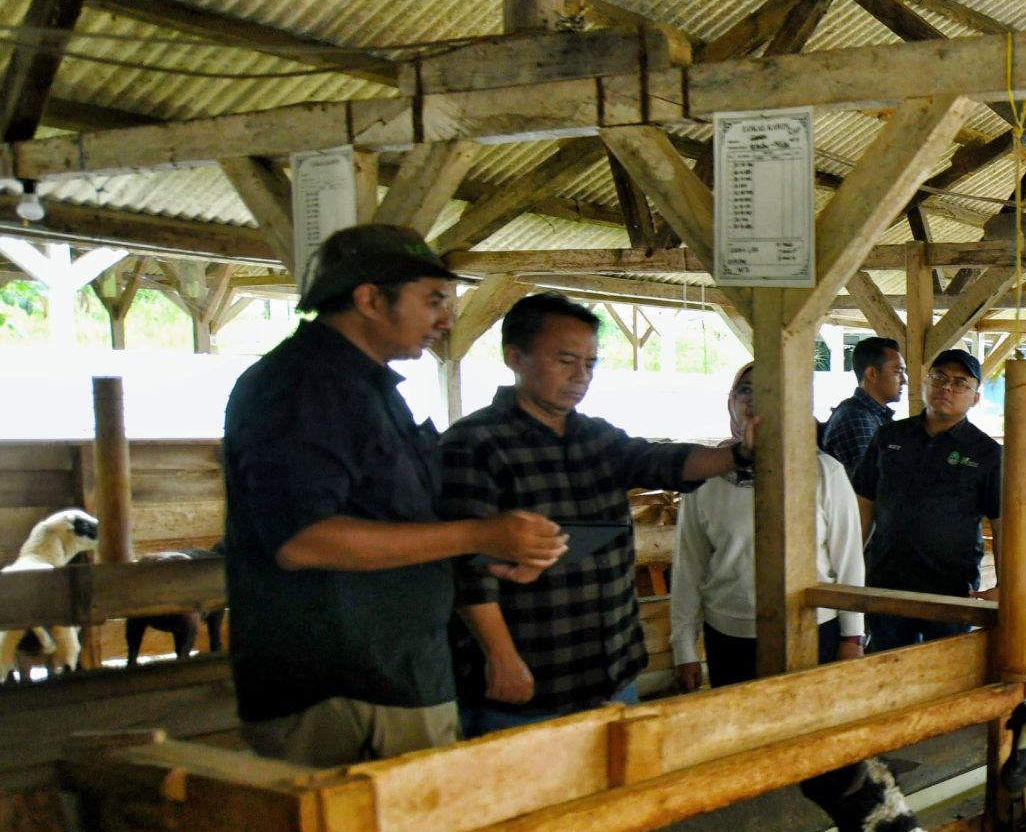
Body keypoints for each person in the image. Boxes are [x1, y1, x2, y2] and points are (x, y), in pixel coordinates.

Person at [221, 226, 567, 766]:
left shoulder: (366, 389)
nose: (446, 320)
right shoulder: (303, 385)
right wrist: (477, 534)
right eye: (432, 301)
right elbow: (303, 540)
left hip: (393, 674)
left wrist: (488, 546)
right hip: (342, 690)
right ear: (369, 300)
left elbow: (393, 519)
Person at [439, 292, 750, 736]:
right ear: (515, 357)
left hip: (611, 673)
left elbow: (662, 462)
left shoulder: (595, 437)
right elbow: (463, 569)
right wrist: (500, 656)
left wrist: (739, 454)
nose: (580, 375)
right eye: (565, 360)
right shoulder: (472, 444)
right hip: (526, 680)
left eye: (590, 363)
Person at [671, 360, 868, 689]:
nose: (754, 402)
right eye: (745, 391)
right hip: (729, 637)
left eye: (768, 393)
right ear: (731, 402)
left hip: (813, 630)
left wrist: (852, 637)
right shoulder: (707, 475)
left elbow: (848, 562)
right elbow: (688, 567)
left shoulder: (824, 472)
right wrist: (683, 647)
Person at [851, 347, 1003, 651]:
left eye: (960, 383)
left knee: (947, 665)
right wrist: (850, 570)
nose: (946, 387)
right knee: (887, 664)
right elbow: (862, 508)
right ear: (924, 383)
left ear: (975, 398)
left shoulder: (987, 453)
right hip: (888, 582)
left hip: (951, 587)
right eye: (939, 377)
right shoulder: (889, 437)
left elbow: (1004, 526)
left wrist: (1005, 585)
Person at [819, 335, 905, 481]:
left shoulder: (872, 415)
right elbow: (870, 484)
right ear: (872, 373)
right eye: (898, 372)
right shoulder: (857, 419)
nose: (904, 381)